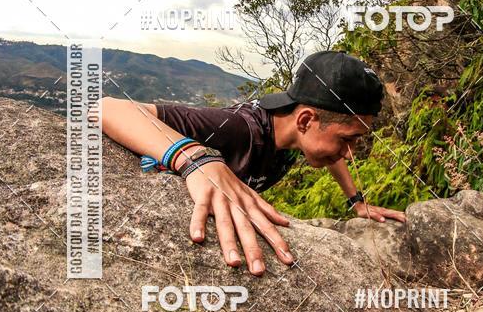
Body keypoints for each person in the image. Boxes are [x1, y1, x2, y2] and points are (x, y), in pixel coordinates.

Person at [101, 50, 406, 276]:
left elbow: (331, 153)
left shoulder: (295, 132)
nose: (348, 153)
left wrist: (356, 201)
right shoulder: (240, 129)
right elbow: (108, 108)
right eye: (347, 139)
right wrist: (198, 160)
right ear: (305, 119)